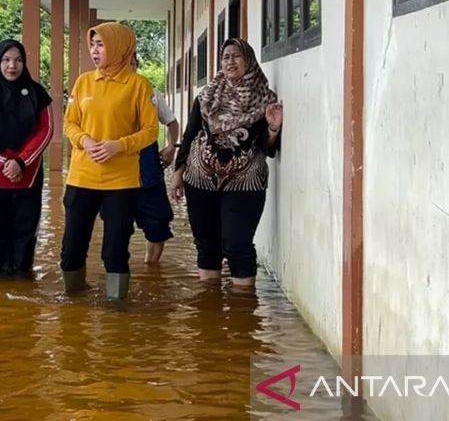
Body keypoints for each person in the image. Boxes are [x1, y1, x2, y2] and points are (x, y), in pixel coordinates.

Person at [171, 38, 283, 287]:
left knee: (237, 244)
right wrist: (178, 172)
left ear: (249, 60)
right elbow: (189, 135)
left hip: (245, 182)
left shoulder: (264, 99)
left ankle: (242, 315)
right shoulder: (206, 97)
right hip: (200, 181)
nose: (230, 61)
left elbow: (267, 149)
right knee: (206, 244)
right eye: (225, 57)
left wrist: (273, 129)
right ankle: (210, 311)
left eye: (236, 56)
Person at [61, 22, 158, 299]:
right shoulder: (83, 82)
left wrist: (120, 146)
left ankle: (117, 311)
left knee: (115, 250)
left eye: (101, 44)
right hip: (82, 176)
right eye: (92, 44)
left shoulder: (138, 85)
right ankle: (73, 306)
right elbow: (70, 123)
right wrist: (85, 140)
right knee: (72, 248)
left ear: (118, 47)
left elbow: (151, 131)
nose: (94, 50)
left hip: (121, 181)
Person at [0, 39, 53, 277]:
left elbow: (45, 131)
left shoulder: (37, 94)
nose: (12, 66)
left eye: (18, 60)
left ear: (24, 63)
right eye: (6, 60)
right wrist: (3, 163)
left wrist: (21, 162)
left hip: (28, 176)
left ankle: (22, 290)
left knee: (25, 236)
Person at [131, 53, 179, 263]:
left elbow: (172, 123)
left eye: (131, 62)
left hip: (149, 172)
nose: (127, 66)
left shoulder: (150, 93)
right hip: (115, 177)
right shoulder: (101, 93)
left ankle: (151, 268)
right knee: (116, 227)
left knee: (158, 223)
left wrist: (170, 148)